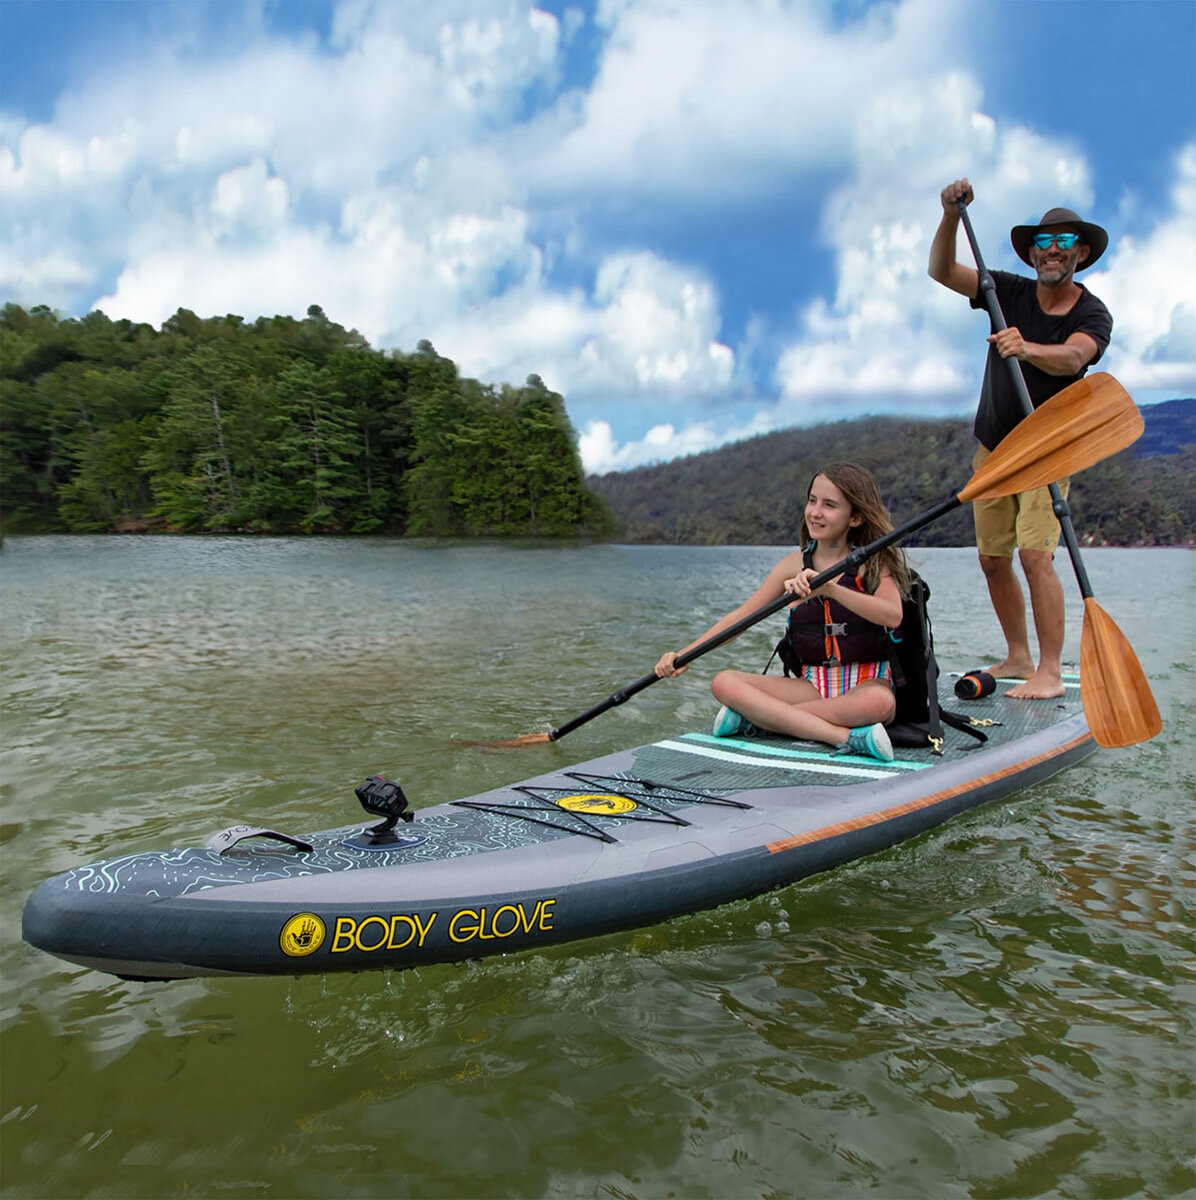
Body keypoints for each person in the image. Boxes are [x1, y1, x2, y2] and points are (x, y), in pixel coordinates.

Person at [928, 179, 1113, 699]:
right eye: (1045, 243)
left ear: (1080, 252)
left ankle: (1049, 673)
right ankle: (1018, 655)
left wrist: (1026, 348)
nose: (1053, 251)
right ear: (1033, 252)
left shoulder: (1091, 312)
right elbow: (941, 271)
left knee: (1035, 555)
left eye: (1065, 242)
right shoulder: (1004, 291)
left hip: (1048, 448)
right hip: (994, 446)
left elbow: (1076, 357)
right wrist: (948, 216)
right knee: (992, 559)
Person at [654, 462, 912, 763]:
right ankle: (845, 737)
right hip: (812, 685)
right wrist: (685, 654)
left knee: (879, 704)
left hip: (866, 683)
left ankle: (761, 721)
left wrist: (830, 589)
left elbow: (892, 615)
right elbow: (741, 618)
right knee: (723, 682)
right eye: (812, 500)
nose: (815, 512)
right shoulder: (792, 565)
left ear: (855, 517)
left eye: (829, 505)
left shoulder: (874, 561)